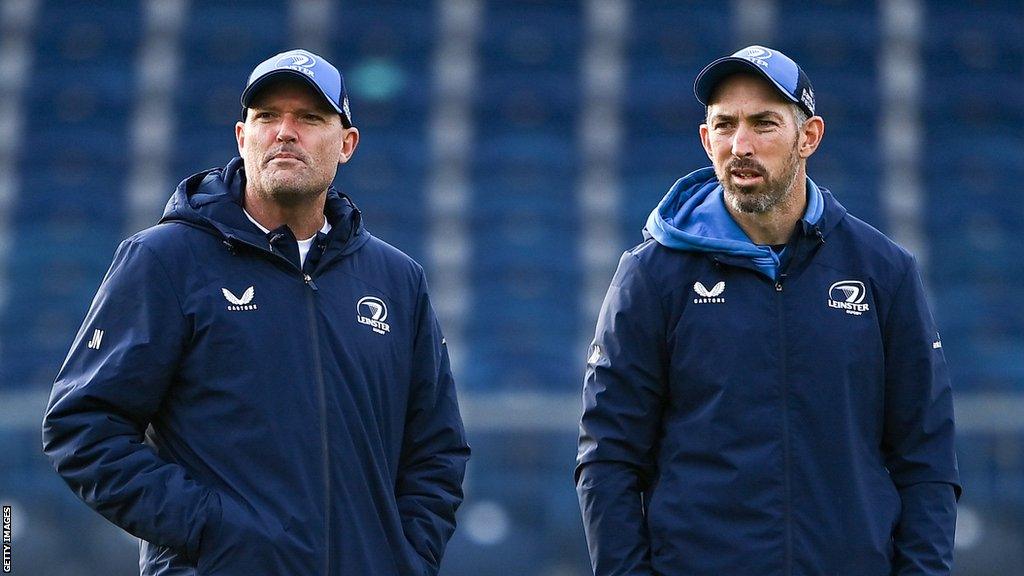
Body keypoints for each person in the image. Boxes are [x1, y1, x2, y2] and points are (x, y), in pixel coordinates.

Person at [43, 49, 469, 576]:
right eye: (267, 117)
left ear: (347, 144)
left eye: (310, 118)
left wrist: (408, 559)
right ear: (243, 138)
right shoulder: (166, 259)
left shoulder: (397, 280)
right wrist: (212, 530)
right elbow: (82, 426)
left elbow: (436, 449)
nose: (285, 132)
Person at [576, 45, 959, 576]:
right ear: (706, 139)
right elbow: (609, 459)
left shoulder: (884, 272)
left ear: (809, 137)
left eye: (764, 124)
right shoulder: (651, 276)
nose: (741, 145)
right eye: (725, 125)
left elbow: (927, 460)